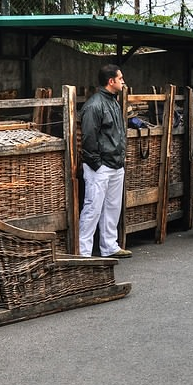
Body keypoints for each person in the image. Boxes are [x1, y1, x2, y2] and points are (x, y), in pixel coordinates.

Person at [78, 65, 131, 258]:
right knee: (92, 208)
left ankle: (110, 246)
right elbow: (88, 138)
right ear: (111, 81)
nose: (123, 81)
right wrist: (97, 164)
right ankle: (83, 253)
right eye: (121, 78)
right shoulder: (94, 105)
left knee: (112, 208)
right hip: (100, 166)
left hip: (115, 164)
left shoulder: (113, 102)